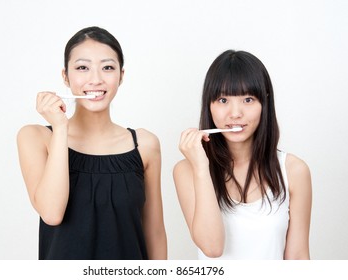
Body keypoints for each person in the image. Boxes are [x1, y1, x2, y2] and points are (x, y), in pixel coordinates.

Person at [17, 26, 167, 260]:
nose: (96, 79)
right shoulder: (36, 137)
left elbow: (155, 232)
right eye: (82, 68)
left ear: (122, 75)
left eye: (107, 67)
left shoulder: (145, 145)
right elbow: (51, 213)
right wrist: (61, 127)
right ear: (65, 76)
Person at [173, 50, 312, 260]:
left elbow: (298, 257)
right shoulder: (187, 170)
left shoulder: (294, 170)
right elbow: (212, 247)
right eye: (222, 100)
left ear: (264, 103)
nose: (235, 113)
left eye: (248, 99)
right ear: (208, 105)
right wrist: (201, 167)